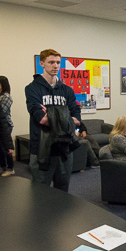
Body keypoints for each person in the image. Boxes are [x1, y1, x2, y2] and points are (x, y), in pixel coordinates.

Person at [25, 49, 81, 192]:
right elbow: (42, 119)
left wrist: (51, 114)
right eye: (51, 62)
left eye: (57, 62)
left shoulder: (67, 90)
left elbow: (78, 119)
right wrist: (65, 115)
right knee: (40, 192)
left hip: (64, 148)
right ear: (42, 63)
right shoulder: (32, 89)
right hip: (42, 148)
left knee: (63, 191)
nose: (55, 66)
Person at [0, 75, 15, 177]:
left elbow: (1, 112)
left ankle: (10, 168)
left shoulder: (6, 97)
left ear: (3, 84)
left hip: (5, 125)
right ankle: (2, 167)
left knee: (6, 148)